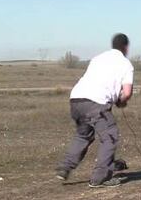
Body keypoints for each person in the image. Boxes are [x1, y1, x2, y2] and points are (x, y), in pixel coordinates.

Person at [56, 33, 134, 188]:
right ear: (126, 47)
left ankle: (64, 168)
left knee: (83, 136)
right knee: (110, 137)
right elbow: (127, 92)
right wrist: (120, 102)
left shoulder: (98, 58)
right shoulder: (126, 64)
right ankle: (100, 178)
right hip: (96, 103)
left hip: (76, 99)